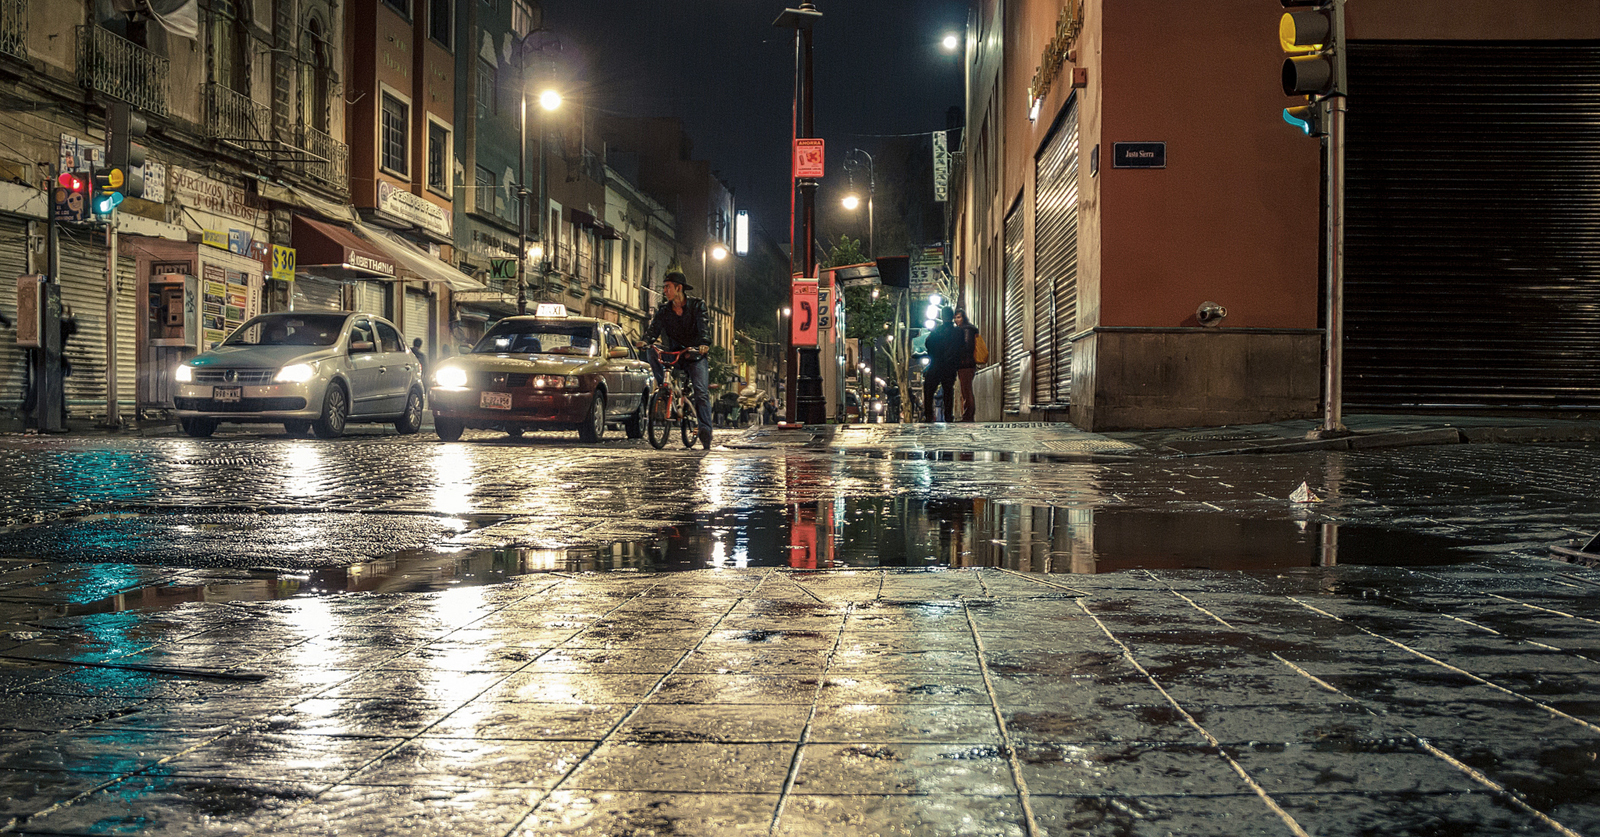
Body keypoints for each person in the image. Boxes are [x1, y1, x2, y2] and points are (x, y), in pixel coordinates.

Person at [643, 268, 714, 449]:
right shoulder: (664, 310)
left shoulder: (698, 306)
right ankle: (664, 389)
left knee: (701, 392)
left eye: (667, 287)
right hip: (674, 354)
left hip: (694, 354)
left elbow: (704, 328)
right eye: (664, 287)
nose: (664, 290)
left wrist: (703, 344)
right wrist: (646, 341)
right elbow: (654, 330)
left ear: (679, 288)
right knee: (651, 351)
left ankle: (705, 431)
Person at [922, 306, 961, 422]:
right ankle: (948, 416)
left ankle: (929, 415)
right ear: (952, 316)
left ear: (943, 316)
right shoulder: (957, 332)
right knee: (948, 391)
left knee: (929, 389)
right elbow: (960, 348)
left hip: (937, 364)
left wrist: (933, 355)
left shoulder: (937, 331)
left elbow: (928, 343)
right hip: (950, 366)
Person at [953, 307, 980, 422]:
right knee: (965, 390)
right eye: (955, 317)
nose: (956, 320)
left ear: (963, 318)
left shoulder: (966, 329)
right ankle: (967, 414)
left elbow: (967, 347)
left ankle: (968, 415)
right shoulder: (964, 329)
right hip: (965, 364)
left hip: (966, 364)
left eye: (958, 317)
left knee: (967, 390)